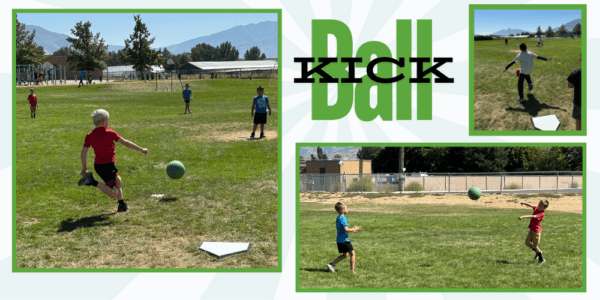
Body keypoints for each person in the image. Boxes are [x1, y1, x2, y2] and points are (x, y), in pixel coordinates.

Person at [77, 109, 148, 212]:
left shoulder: (90, 135)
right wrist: (141, 149)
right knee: (113, 193)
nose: (108, 122)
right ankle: (92, 181)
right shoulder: (109, 133)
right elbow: (126, 143)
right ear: (103, 122)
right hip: (107, 166)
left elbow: (83, 153)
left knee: (118, 181)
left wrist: (84, 168)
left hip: (99, 165)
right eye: (107, 120)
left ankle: (122, 205)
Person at [326, 202, 362, 274]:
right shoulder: (343, 218)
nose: (347, 209)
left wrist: (352, 229)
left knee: (345, 255)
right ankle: (352, 271)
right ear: (342, 210)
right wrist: (354, 229)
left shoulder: (338, 218)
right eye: (346, 208)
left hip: (339, 240)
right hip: (344, 240)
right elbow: (346, 229)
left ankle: (331, 264)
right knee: (352, 254)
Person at [519, 200, 549, 264]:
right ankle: (537, 252)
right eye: (539, 204)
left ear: (544, 208)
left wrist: (523, 216)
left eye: (541, 206)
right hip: (531, 229)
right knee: (527, 243)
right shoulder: (536, 208)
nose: (539, 206)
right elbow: (531, 206)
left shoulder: (541, 213)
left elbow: (533, 216)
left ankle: (541, 259)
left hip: (536, 231)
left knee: (535, 246)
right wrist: (524, 203)